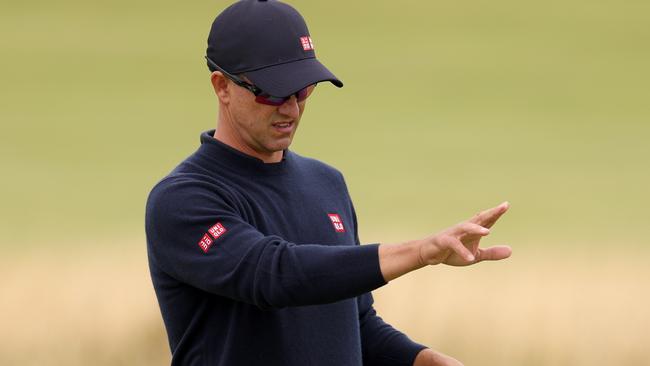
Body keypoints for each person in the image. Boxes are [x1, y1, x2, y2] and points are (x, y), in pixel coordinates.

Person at [145, 1, 512, 365]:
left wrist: (424, 360)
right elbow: (274, 275)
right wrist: (420, 252)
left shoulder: (326, 183)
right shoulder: (182, 199)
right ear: (222, 86)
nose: (290, 109)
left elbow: (354, 323)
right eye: (273, 92)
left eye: (302, 90)